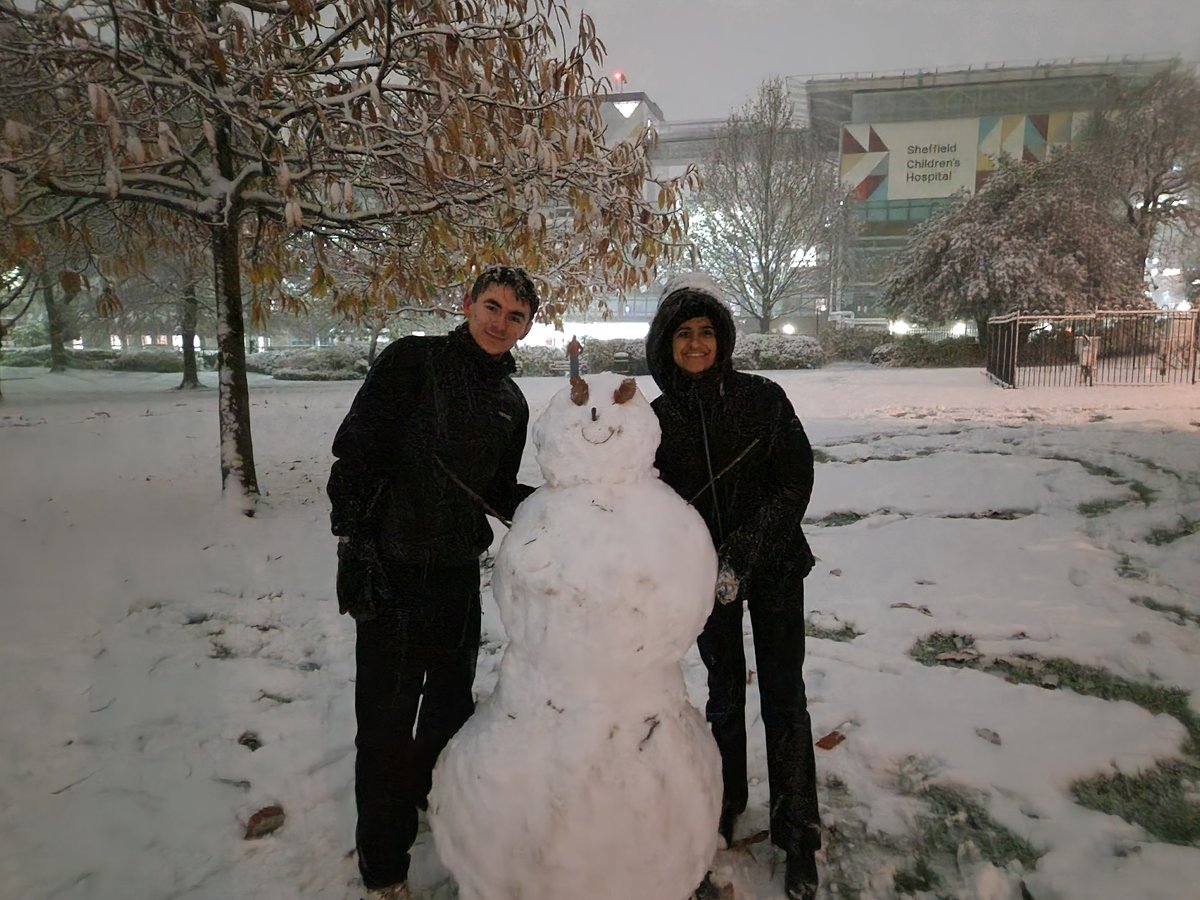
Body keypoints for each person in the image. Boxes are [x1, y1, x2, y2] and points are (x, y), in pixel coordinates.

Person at [327, 266, 539, 900]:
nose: (500, 323)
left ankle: (423, 802)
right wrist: (357, 546)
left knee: (448, 711)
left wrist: (567, 505)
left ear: (529, 326)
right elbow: (358, 453)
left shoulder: (511, 403)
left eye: (516, 316)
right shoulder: (413, 362)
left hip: (452, 575)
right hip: (391, 568)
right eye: (492, 306)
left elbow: (496, 490)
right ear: (467, 303)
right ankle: (384, 868)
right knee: (386, 725)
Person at [645, 273, 821, 900]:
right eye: (684, 334)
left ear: (722, 340)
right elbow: (649, 501)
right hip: (704, 577)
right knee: (722, 692)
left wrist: (744, 551)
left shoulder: (763, 398)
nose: (697, 344)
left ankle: (797, 833)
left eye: (707, 332)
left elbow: (793, 482)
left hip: (772, 567)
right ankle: (725, 801)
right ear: (665, 345)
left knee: (783, 696)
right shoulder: (656, 420)